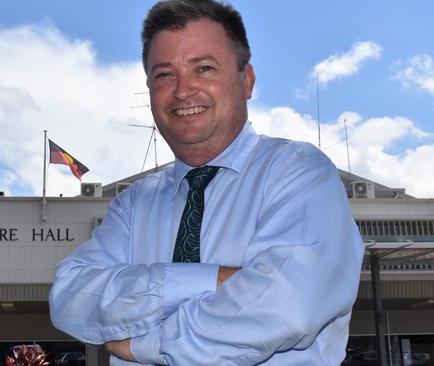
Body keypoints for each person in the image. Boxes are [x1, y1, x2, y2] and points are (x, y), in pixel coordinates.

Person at [49, 0, 364, 364]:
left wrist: (145, 345)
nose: (183, 91)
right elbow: (70, 298)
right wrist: (213, 282)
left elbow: (286, 306)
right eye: (164, 74)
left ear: (246, 81)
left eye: (204, 68)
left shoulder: (298, 172)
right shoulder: (133, 203)